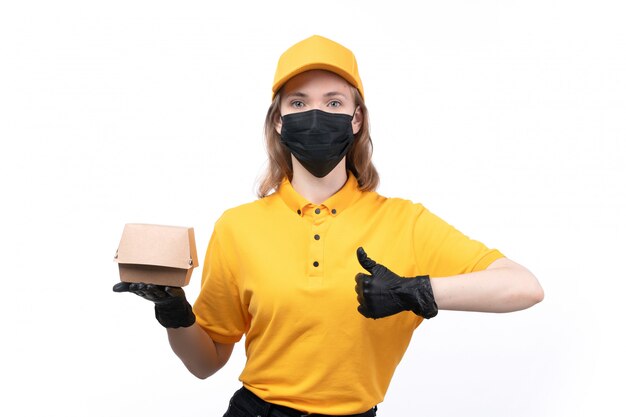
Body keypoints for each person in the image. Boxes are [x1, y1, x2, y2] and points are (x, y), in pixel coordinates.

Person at [113, 35, 544, 417]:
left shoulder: (405, 222)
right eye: (298, 102)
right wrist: (173, 312)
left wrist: (417, 291)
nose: (315, 114)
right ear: (279, 120)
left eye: (334, 102)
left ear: (356, 119)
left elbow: (523, 286)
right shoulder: (237, 227)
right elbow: (205, 364)